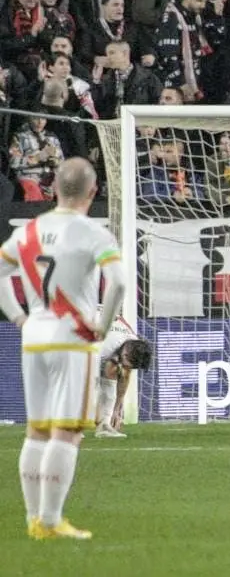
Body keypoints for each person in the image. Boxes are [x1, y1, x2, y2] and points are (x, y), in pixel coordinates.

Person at [0, 158, 125, 540]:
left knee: (36, 430)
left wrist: (19, 317)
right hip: (72, 337)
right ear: (93, 192)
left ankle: (34, 518)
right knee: (67, 432)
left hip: (34, 334)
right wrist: (102, 328)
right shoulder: (92, 232)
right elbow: (118, 284)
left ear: (53, 188)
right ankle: (51, 521)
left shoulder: (28, 231)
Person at [94, 316, 153, 439]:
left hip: (99, 321)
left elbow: (125, 375)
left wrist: (117, 409)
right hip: (66, 325)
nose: (125, 367)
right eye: (124, 362)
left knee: (114, 369)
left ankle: (104, 425)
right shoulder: (104, 348)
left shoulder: (133, 345)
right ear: (125, 353)